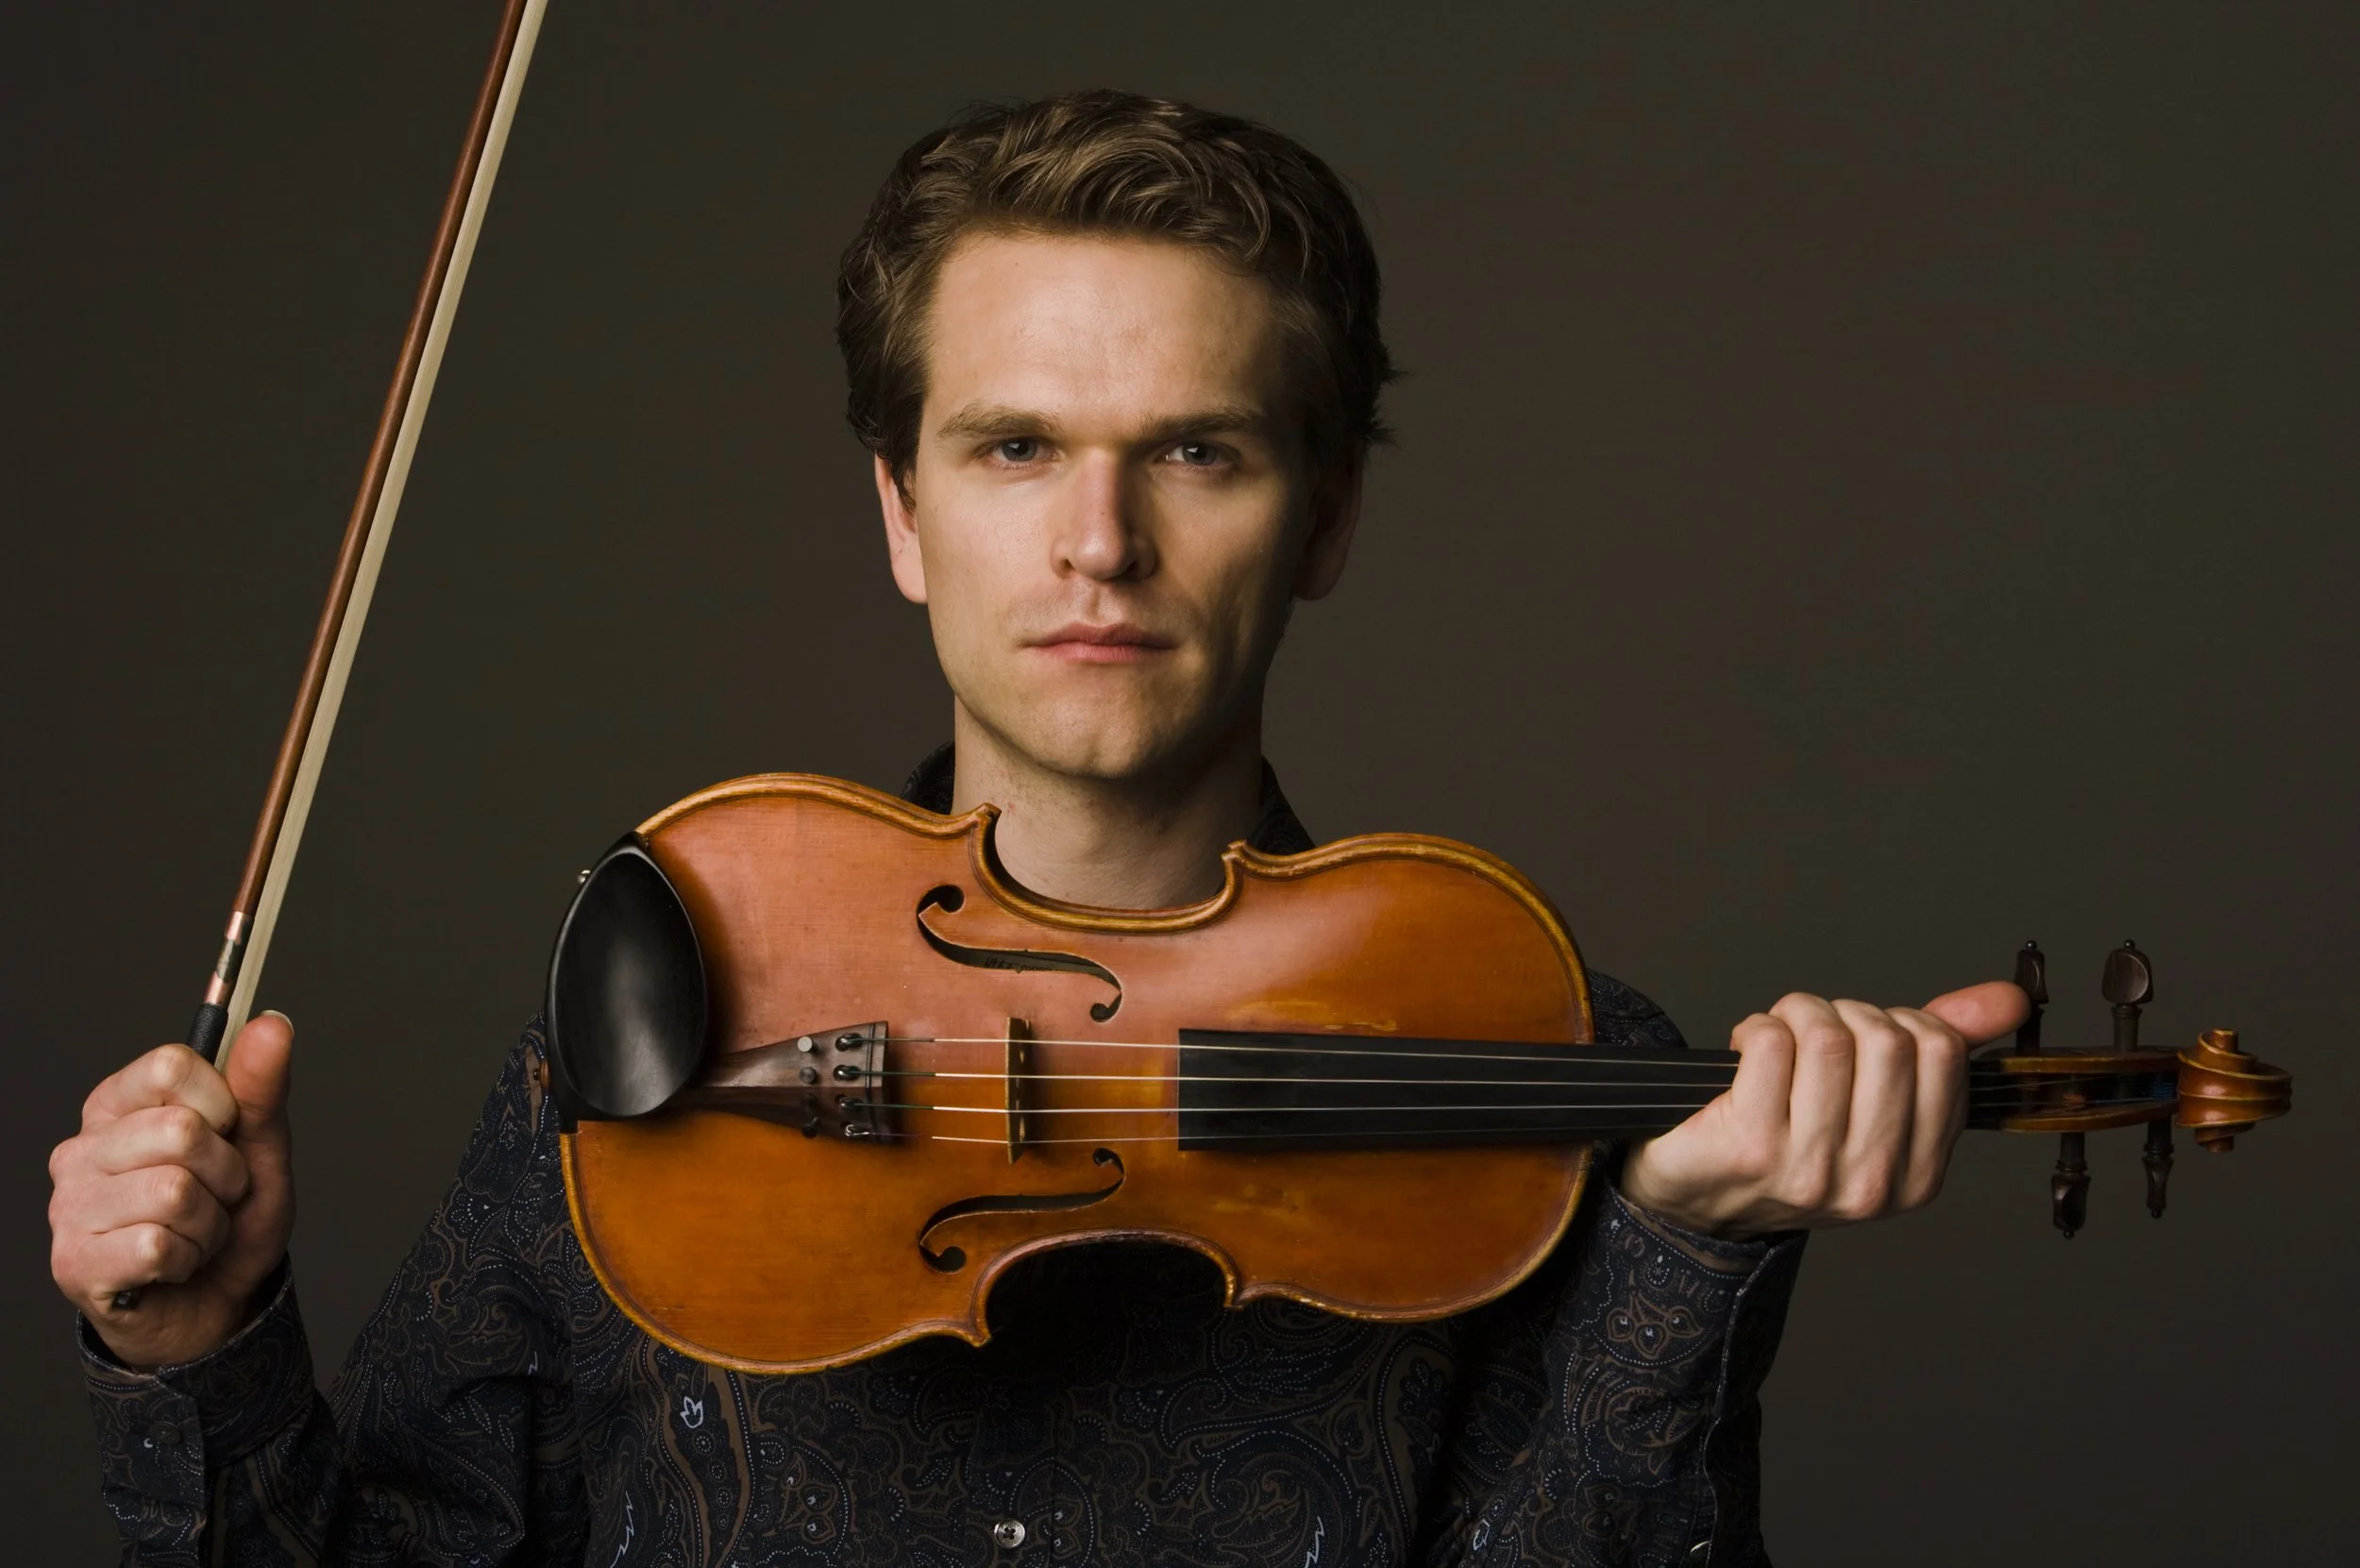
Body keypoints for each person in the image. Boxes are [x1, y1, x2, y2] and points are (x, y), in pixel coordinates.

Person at [50, 92, 2025, 1566]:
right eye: (1012, 449)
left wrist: (1684, 1251)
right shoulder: (682, 989)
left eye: (1195, 449)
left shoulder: (1540, 1057)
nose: (1099, 541)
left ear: (1320, 516)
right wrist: (204, 1346)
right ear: (903, 512)